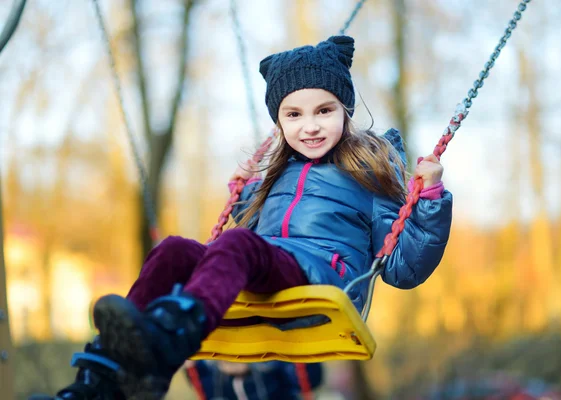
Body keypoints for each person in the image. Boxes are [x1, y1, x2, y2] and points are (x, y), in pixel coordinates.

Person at [32, 34, 452, 400]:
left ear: (345, 110)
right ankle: (104, 375)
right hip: (269, 276)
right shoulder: (274, 175)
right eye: (294, 114)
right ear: (279, 121)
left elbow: (403, 267)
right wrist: (244, 198)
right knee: (175, 250)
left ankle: (170, 337)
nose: (310, 126)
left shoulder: (371, 170)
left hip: (324, 283)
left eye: (324, 110)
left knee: (236, 245)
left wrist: (430, 197)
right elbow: (252, 243)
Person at [185, 360, 323, 399]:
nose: (230, 361)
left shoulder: (273, 374)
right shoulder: (217, 385)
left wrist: (303, 359)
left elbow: (309, 380)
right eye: (224, 359)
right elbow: (199, 379)